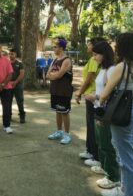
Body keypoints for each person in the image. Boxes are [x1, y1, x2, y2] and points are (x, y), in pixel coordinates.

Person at [99, 33, 133, 196]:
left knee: (126, 158)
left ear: (124, 46)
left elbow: (104, 94)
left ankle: (128, 193)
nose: (115, 46)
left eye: (117, 43)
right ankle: (123, 188)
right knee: (126, 153)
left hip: (122, 113)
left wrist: (100, 103)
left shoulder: (122, 66)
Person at [85, 41, 120, 189]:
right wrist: (94, 95)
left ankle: (113, 176)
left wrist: (95, 96)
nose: (94, 57)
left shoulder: (112, 69)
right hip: (98, 109)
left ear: (104, 54)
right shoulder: (103, 69)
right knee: (100, 141)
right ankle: (105, 167)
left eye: (96, 54)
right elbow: (101, 89)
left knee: (106, 143)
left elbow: (110, 92)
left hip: (105, 111)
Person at [75, 37, 105, 166]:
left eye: (89, 45)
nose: (87, 47)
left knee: (93, 126)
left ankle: (95, 154)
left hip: (93, 96)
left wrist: (79, 93)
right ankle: (90, 150)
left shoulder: (94, 60)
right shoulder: (93, 59)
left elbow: (88, 80)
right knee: (90, 125)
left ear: (94, 46)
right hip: (91, 95)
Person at [46, 39, 73, 144]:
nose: (53, 48)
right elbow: (47, 75)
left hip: (64, 91)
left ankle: (67, 135)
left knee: (65, 112)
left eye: (55, 47)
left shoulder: (67, 60)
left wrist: (54, 75)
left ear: (61, 48)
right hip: (55, 90)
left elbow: (59, 75)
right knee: (57, 111)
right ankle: (59, 131)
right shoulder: (54, 60)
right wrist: (54, 75)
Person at [9, 48, 26, 123]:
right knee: (8, 102)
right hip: (9, 85)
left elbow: (22, 74)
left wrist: (15, 82)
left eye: (12, 54)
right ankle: (8, 116)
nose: (10, 55)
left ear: (15, 54)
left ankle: (22, 117)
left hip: (18, 85)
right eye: (9, 54)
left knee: (20, 101)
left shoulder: (19, 63)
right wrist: (9, 82)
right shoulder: (7, 63)